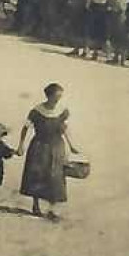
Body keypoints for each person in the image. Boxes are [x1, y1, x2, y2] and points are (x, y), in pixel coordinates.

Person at [18, 82, 80, 220]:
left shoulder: (62, 111)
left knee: (56, 176)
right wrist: (21, 145)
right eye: (56, 96)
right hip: (39, 146)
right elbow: (25, 128)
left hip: (57, 146)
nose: (58, 99)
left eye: (60, 96)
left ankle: (52, 209)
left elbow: (65, 129)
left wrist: (71, 145)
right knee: (38, 175)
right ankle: (36, 205)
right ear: (49, 96)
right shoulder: (37, 111)